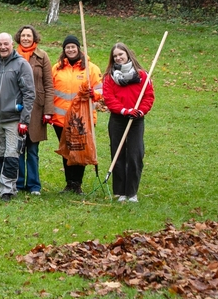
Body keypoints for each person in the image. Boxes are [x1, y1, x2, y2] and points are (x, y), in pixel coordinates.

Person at [0, 33, 36, 200]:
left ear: (12, 44)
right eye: (0, 44)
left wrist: (24, 120)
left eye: (6, 44)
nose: (3, 47)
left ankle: (7, 190)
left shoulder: (21, 65)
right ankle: (4, 184)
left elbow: (29, 94)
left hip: (14, 119)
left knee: (12, 154)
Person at [50, 35, 103, 193]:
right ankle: (69, 183)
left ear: (79, 48)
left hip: (82, 119)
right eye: (67, 47)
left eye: (73, 47)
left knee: (79, 150)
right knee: (67, 152)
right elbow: (50, 91)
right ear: (64, 50)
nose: (71, 50)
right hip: (61, 119)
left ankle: (77, 184)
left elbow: (101, 89)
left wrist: (93, 93)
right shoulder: (57, 68)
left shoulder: (91, 69)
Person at [103, 42, 154, 203]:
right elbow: (109, 98)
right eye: (115, 56)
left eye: (121, 54)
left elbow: (148, 96)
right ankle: (120, 191)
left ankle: (131, 192)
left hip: (136, 120)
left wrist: (140, 111)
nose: (118, 58)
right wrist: (124, 110)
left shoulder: (142, 76)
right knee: (117, 154)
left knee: (134, 154)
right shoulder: (110, 77)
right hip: (118, 119)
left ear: (127, 54)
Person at [14, 25, 54, 195]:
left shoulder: (42, 56)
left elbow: (49, 84)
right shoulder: (13, 55)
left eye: (28, 36)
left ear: (34, 38)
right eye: (23, 35)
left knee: (32, 149)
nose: (25, 38)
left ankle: (34, 184)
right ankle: (19, 182)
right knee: (18, 148)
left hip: (37, 109)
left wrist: (48, 110)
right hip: (17, 107)